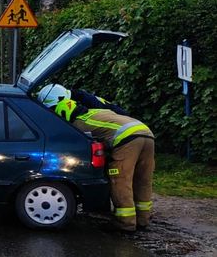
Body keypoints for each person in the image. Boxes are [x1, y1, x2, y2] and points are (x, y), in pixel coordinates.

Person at [38, 83, 155, 232]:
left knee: (120, 181)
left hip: (127, 140)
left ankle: (125, 223)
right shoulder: (96, 110)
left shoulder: (79, 124)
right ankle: (143, 220)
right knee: (143, 180)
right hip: (146, 132)